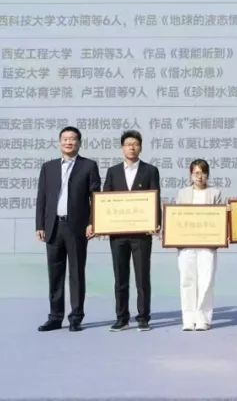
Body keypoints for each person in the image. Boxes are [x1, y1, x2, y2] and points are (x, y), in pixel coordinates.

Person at [34, 126, 101, 332]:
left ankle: (76, 317)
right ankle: (55, 317)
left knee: (76, 273)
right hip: (53, 227)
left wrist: (93, 222)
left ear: (79, 143)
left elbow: (96, 198)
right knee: (55, 274)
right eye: (65, 139)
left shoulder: (88, 166)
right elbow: (42, 198)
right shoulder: (48, 167)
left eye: (72, 139)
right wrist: (40, 225)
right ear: (59, 142)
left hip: (77, 227)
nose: (68, 142)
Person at [102, 130, 161, 332]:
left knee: (142, 277)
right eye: (128, 144)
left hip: (142, 234)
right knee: (120, 277)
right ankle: (122, 318)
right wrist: (101, 223)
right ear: (122, 148)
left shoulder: (150, 170)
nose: (132, 147)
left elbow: (155, 198)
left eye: (135, 144)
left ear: (140, 147)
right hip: (118, 234)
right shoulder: (113, 171)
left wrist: (156, 223)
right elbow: (105, 201)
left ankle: (143, 317)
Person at [174, 159, 224, 331]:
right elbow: (176, 218)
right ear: (190, 175)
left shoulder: (215, 193)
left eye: (203, 173)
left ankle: (203, 318)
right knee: (187, 280)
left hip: (207, 245)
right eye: (196, 173)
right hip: (186, 244)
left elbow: (220, 219)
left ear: (207, 174)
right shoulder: (182, 193)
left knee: (206, 281)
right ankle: (188, 319)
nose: (199, 176)